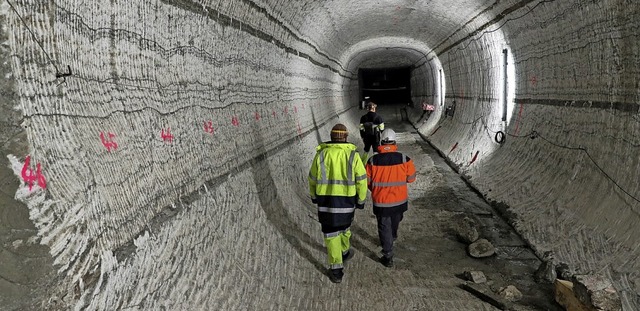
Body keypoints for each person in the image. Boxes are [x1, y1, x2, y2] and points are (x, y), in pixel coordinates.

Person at [308, 123, 368, 283]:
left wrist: (314, 196)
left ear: (331, 137)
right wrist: (361, 200)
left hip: (326, 201)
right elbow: (362, 180)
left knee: (331, 234)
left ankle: (336, 270)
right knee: (344, 228)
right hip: (347, 202)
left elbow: (312, 178)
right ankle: (344, 251)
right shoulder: (352, 156)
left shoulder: (321, 155)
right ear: (346, 137)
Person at [365, 129, 416, 268]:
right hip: (399, 201)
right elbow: (411, 179)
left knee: (384, 226)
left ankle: (388, 255)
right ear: (395, 142)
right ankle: (392, 238)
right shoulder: (405, 159)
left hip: (381, 202)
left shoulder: (372, 161)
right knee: (395, 220)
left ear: (381, 142)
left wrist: (376, 190)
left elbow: (367, 182)